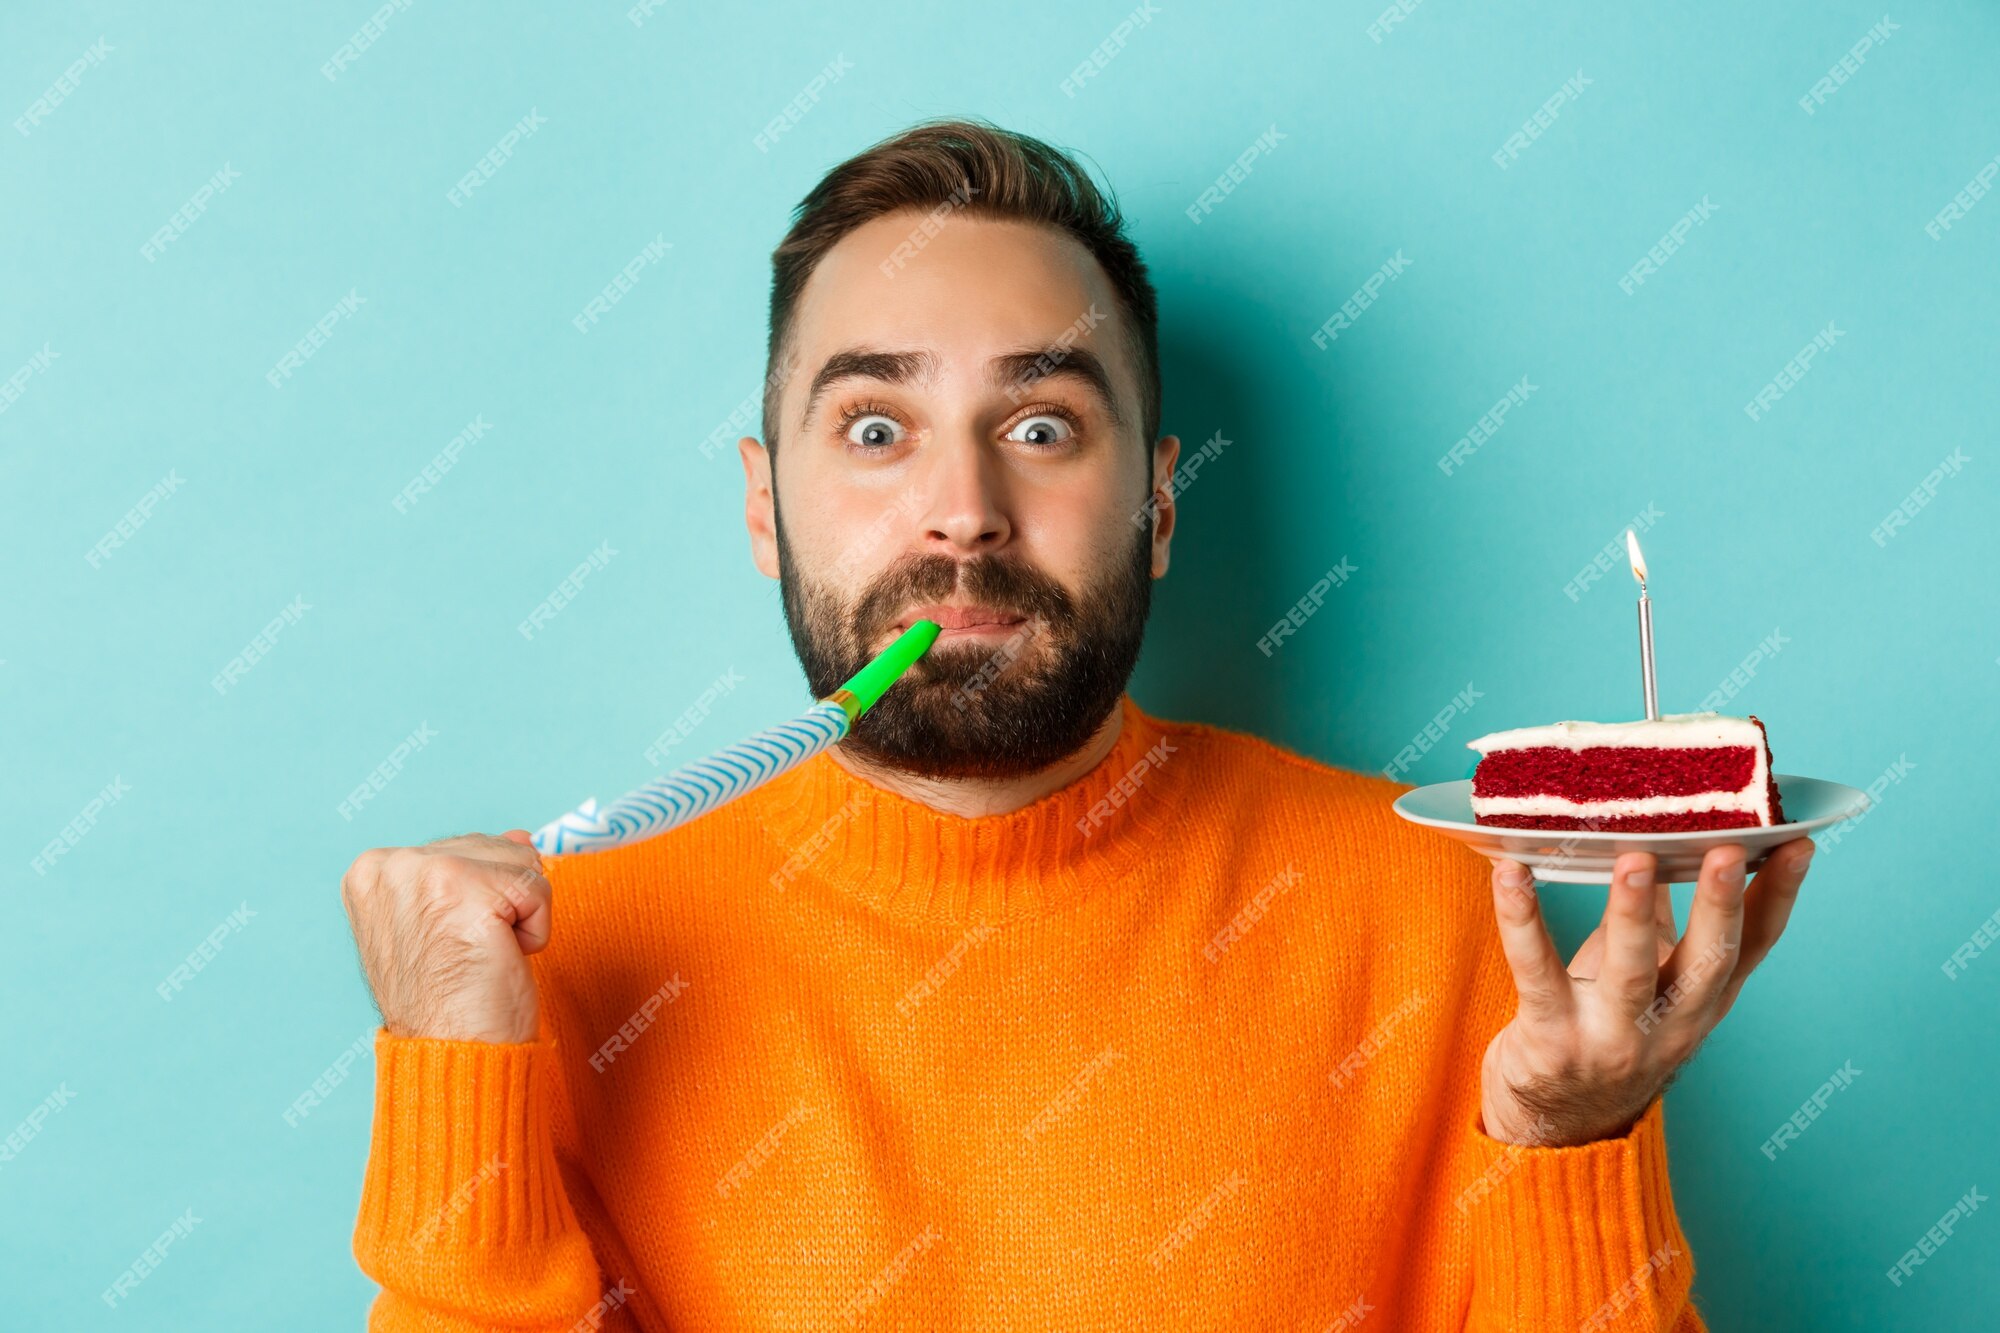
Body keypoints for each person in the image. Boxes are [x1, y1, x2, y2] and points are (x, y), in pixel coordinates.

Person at [340, 117, 1813, 1330]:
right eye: (873, 428)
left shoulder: (1438, 902)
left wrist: (1571, 1151)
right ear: (758, 505)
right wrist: (451, 1083)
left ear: (1159, 502)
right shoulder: (562, 959)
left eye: (1041, 425)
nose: (965, 510)